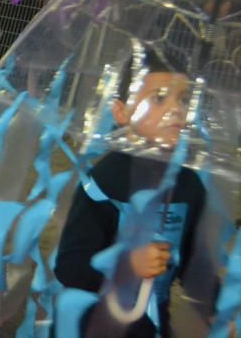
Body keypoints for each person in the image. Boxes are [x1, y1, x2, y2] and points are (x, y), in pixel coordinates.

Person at [55, 53, 211, 337]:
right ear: (121, 112)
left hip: (152, 327)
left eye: (184, 99)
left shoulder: (189, 185)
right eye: (160, 98)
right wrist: (127, 267)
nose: (176, 109)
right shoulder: (104, 183)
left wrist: (217, 308)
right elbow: (69, 267)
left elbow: (192, 264)